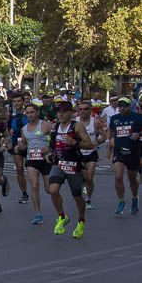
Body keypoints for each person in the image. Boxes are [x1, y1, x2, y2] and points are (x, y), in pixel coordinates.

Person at [47, 97, 94, 238]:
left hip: (74, 165)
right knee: (53, 190)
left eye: (64, 111)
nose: (60, 114)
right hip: (59, 163)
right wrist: (49, 153)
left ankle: (81, 221)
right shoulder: (55, 127)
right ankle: (62, 216)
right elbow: (52, 145)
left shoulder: (77, 126)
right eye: (58, 112)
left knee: (77, 196)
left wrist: (75, 143)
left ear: (71, 113)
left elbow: (90, 145)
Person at [108, 96, 142, 215]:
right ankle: (121, 201)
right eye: (120, 106)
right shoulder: (114, 118)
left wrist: (139, 134)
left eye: (125, 106)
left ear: (130, 106)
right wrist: (109, 142)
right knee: (118, 176)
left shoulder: (138, 117)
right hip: (119, 151)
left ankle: (134, 197)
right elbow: (110, 131)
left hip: (133, 152)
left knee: (132, 178)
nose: (122, 108)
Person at [15, 103, 54, 225]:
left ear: (37, 113)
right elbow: (25, 144)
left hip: (45, 160)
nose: (30, 115)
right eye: (27, 113)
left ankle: (60, 210)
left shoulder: (45, 125)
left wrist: (49, 148)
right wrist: (19, 147)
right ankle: (38, 214)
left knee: (49, 189)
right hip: (31, 160)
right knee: (34, 186)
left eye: (32, 112)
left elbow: (55, 140)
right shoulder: (24, 129)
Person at [76, 99, 105, 209]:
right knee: (82, 177)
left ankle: (88, 199)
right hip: (78, 153)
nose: (82, 111)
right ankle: (83, 189)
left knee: (89, 177)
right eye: (80, 109)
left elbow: (104, 136)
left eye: (85, 109)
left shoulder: (95, 122)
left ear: (90, 110)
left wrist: (97, 142)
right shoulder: (75, 122)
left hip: (91, 152)